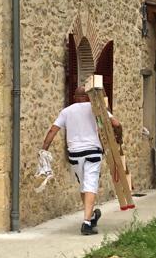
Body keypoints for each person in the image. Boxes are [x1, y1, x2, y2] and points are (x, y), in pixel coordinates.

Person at [41, 86, 122, 235]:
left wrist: (44, 150)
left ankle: (90, 216)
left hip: (75, 154)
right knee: (90, 185)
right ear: (88, 97)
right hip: (93, 152)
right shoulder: (96, 108)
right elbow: (116, 124)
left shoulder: (66, 111)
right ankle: (86, 223)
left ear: (74, 97)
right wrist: (119, 138)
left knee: (84, 185)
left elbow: (53, 130)